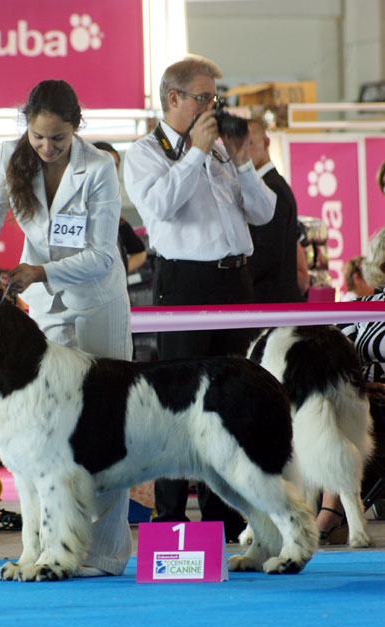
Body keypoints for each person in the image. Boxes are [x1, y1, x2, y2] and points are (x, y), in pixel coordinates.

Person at [0, 79, 132, 577]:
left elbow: (103, 256)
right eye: (38, 137)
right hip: (46, 313)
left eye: (57, 138)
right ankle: (44, 549)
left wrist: (41, 271)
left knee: (108, 430)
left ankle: (103, 555)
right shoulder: (8, 157)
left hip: (99, 306)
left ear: (76, 128)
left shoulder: (100, 168)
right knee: (47, 438)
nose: (46, 147)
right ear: (27, 127)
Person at [124, 55, 276, 539]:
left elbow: (264, 213)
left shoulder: (219, 153)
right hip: (185, 282)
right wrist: (195, 152)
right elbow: (160, 208)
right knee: (178, 400)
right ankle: (169, 519)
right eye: (204, 97)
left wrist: (243, 159)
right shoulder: (145, 152)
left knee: (233, 399)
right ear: (175, 98)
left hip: (236, 281)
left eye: (215, 97)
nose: (213, 105)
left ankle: (225, 516)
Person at [319, 227, 385, 540]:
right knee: (329, 402)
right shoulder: (364, 306)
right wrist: (359, 383)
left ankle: (330, 513)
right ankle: (327, 511)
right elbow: (334, 357)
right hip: (361, 398)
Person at [246, 118, 303, 303]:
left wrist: (234, 276)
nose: (243, 151)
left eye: (250, 143)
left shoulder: (272, 188)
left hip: (271, 302)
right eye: (238, 145)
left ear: (266, 142)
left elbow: (269, 253)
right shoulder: (270, 185)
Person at [93, 142, 147, 276]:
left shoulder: (116, 217)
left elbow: (140, 252)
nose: (111, 170)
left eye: (115, 165)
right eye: (105, 164)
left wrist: (117, 275)